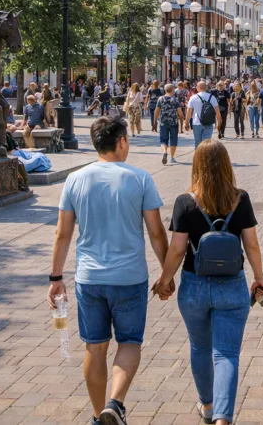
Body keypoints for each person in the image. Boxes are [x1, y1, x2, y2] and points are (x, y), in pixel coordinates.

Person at [46, 116, 170, 425]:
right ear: (122, 142)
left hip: (89, 277)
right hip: (129, 277)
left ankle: (96, 414)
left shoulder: (76, 179)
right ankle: (115, 404)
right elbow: (156, 233)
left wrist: (56, 278)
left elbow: (62, 233)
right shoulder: (140, 178)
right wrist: (167, 275)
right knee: (129, 342)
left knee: (95, 346)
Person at [153, 140, 263, 425]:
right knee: (227, 353)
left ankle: (206, 405)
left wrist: (164, 281)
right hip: (232, 284)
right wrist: (259, 277)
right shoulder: (240, 198)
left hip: (195, 284)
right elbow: (251, 244)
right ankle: (222, 418)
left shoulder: (185, 201)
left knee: (200, 348)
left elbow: (178, 249)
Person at [185, 81, 222, 149]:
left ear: (197, 88)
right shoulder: (212, 97)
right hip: (208, 122)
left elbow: (188, 112)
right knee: (207, 143)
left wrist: (186, 123)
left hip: (196, 123)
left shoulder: (193, 98)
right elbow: (217, 112)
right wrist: (219, 123)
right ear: (206, 88)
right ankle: (206, 157)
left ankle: (198, 158)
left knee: (198, 142)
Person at [155, 83, 184, 165]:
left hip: (163, 122)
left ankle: (164, 152)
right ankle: (172, 157)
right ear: (173, 90)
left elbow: (156, 111)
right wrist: (181, 126)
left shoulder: (160, 99)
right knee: (173, 140)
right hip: (174, 123)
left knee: (163, 140)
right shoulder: (175, 100)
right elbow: (180, 114)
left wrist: (154, 123)